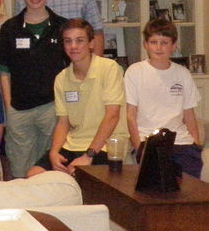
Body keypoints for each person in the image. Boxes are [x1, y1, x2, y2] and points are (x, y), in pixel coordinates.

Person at [28, 19, 127, 177]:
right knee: (33, 175)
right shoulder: (61, 78)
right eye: (68, 41)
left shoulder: (109, 68)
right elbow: (63, 122)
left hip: (105, 146)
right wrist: (54, 153)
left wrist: (88, 156)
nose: (73, 46)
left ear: (91, 43)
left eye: (79, 41)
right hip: (74, 144)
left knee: (80, 178)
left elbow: (112, 115)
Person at [0, 0, 68, 178]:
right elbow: (4, 71)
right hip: (19, 109)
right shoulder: (10, 28)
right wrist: (9, 108)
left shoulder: (62, 27)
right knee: (19, 171)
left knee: (49, 169)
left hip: (52, 108)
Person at [125, 19, 203, 179]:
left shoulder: (183, 74)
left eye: (164, 42)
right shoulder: (135, 72)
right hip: (149, 142)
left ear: (173, 46)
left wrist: (195, 143)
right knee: (158, 187)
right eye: (153, 42)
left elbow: (189, 114)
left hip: (181, 142)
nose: (159, 47)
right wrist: (139, 147)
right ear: (145, 44)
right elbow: (130, 116)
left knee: (190, 188)